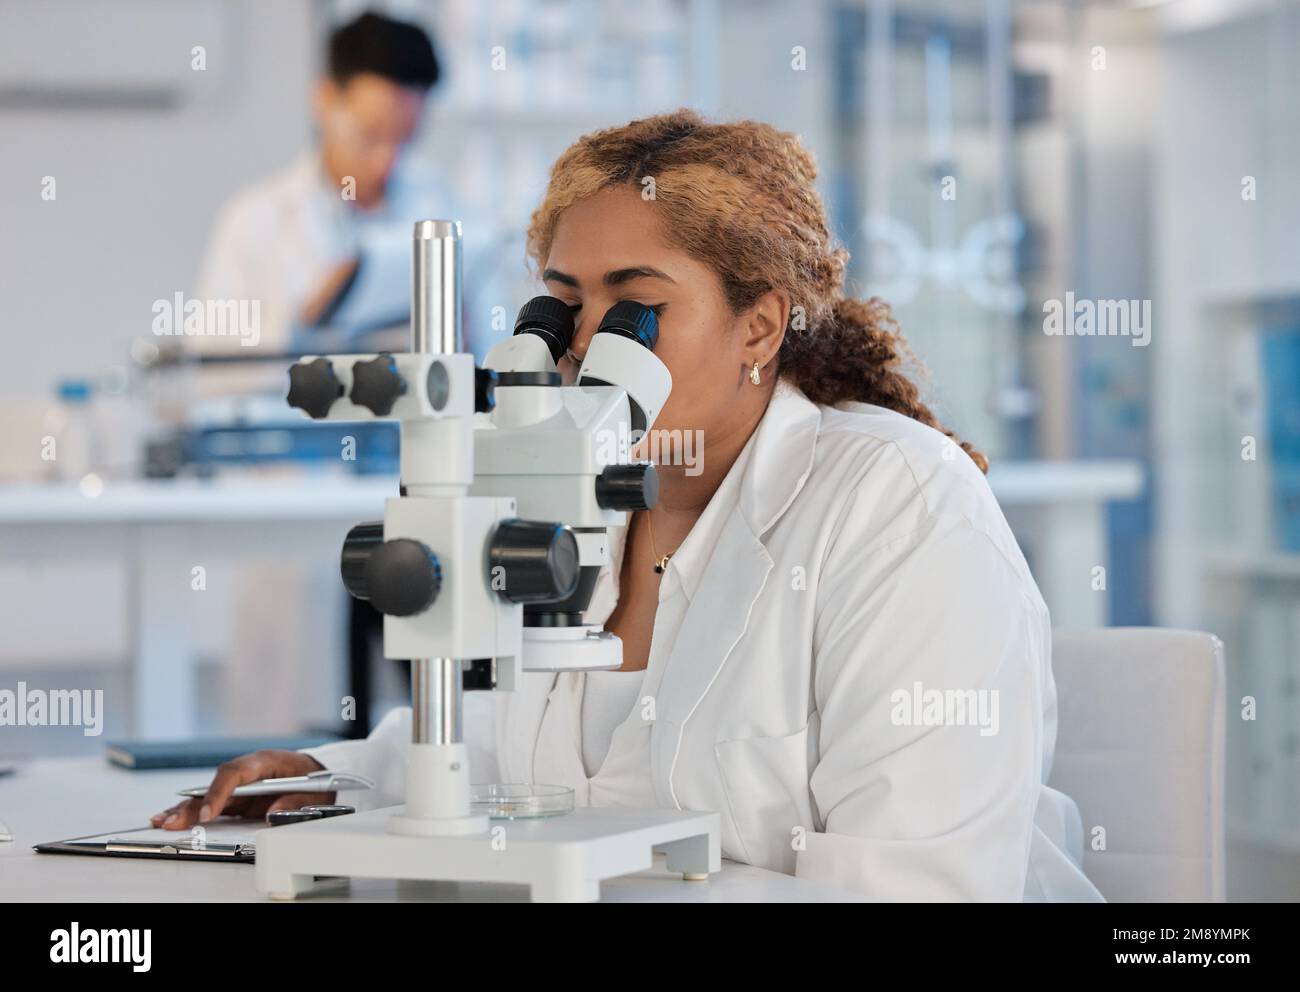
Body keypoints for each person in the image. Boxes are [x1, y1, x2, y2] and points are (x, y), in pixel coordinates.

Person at [154, 109, 1103, 902]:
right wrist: (335, 777)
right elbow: (496, 757)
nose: (579, 350)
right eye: (560, 309)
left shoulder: (900, 507)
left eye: (634, 312)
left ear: (759, 326)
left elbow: (915, 886)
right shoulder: (563, 493)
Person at [194, 10, 447, 364]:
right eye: (370, 136)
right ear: (326, 101)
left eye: (404, 139)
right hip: (291, 420)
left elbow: (495, 365)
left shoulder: (446, 209)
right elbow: (213, 374)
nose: (385, 161)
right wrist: (306, 324)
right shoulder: (253, 221)